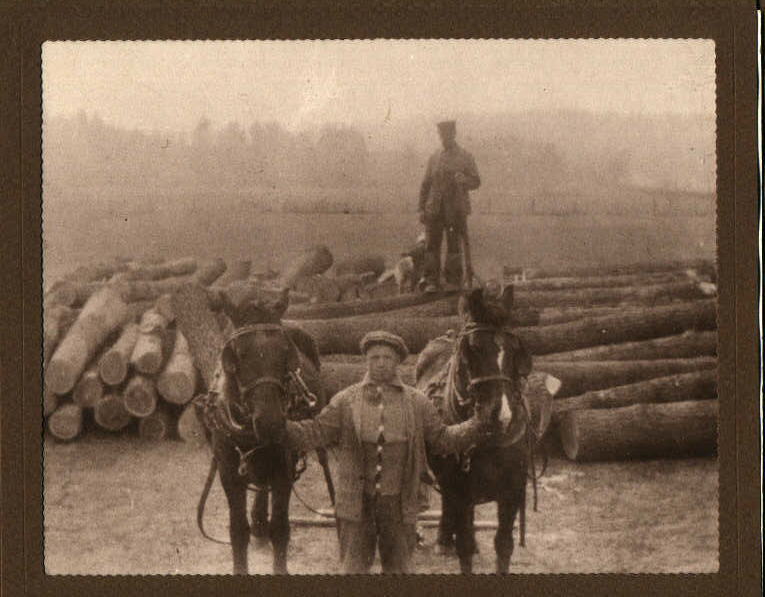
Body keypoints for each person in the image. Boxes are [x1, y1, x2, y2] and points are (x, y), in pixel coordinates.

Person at [285, 330, 490, 574]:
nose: (381, 363)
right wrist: (279, 425)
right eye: (374, 358)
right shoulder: (345, 400)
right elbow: (315, 432)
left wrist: (478, 423)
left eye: (387, 358)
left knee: (399, 570)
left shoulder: (417, 402)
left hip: (399, 504)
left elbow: (442, 439)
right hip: (356, 502)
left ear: (397, 362)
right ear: (367, 361)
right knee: (353, 570)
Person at [418, 120, 481, 293]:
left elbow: (476, 181)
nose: (443, 138)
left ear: (453, 134)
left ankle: (453, 282)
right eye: (441, 135)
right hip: (434, 208)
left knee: (454, 246)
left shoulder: (465, 156)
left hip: (455, 209)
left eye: (446, 134)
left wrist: (465, 180)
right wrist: (421, 209)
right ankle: (431, 281)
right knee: (431, 246)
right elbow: (425, 184)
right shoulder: (434, 157)